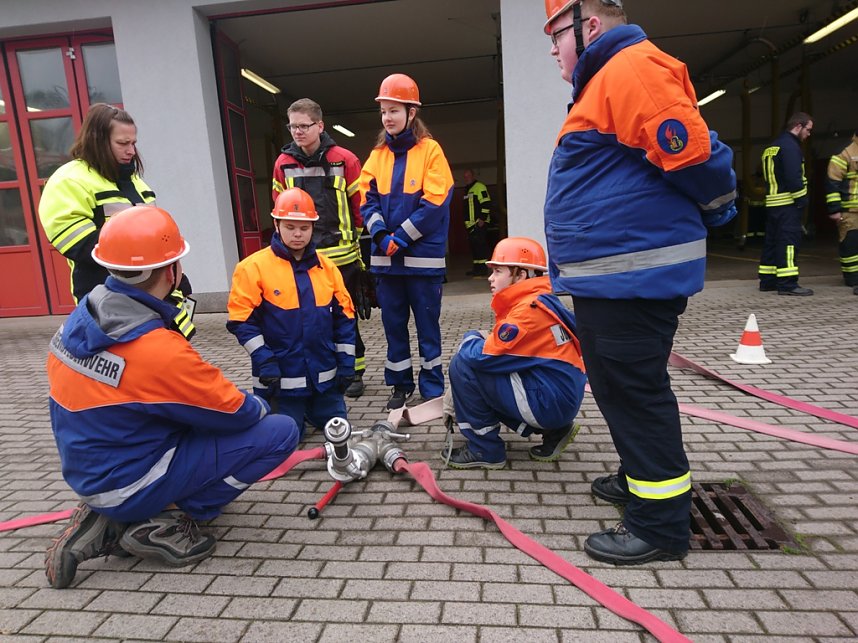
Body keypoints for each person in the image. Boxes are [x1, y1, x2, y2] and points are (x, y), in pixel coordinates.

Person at [542, 0, 736, 565]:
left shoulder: (629, 69)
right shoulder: (608, 78)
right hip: (616, 279)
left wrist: (719, 208)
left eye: (556, 35)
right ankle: (638, 481)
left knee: (635, 393)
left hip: (634, 278)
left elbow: (692, 151)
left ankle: (660, 526)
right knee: (616, 387)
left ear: (590, 25)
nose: (553, 48)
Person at [44, 205, 299, 589]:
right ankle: (164, 522)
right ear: (171, 271)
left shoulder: (83, 316)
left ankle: (106, 517)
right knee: (279, 432)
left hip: (91, 470)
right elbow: (235, 412)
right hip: (131, 477)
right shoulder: (154, 348)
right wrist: (263, 403)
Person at [38, 103, 195, 337]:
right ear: (97, 141)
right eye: (123, 143)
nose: (131, 151)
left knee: (162, 356)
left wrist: (172, 274)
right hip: (105, 297)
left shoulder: (135, 182)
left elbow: (156, 236)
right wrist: (151, 265)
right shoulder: (69, 180)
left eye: (133, 143)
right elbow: (78, 245)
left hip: (152, 295)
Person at [442, 237, 587, 469]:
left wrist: (470, 337)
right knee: (487, 370)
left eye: (498, 271)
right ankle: (554, 431)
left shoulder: (526, 313)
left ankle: (484, 450)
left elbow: (484, 357)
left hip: (550, 401)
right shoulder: (539, 300)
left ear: (521, 275)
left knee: (463, 365)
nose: (490, 277)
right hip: (558, 397)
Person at [227, 187, 356, 438]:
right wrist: (264, 359)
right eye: (290, 226)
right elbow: (241, 320)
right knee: (288, 436)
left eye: (304, 228)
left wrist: (347, 363)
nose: (298, 234)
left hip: (324, 380)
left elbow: (345, 319)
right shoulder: (252, 268)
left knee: (338, 430)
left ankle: (314, 409)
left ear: (313, 227)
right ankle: (292, 413)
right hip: (280, 381)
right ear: (276, 225)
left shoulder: (327, 268)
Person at [359, 73, 454, 410]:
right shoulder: (378, 154)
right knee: (394, 328)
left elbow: (435, 202)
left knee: (428, 329)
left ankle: (431, 387)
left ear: (411, 113)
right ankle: (399, 385)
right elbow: (365, 199)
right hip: (388, 261)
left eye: (394, 110)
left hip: (421, 262)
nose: (387, 117)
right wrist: (382, 234)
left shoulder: (431, 151)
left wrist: (399, 237)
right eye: (384, 111)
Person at [272, 98, 369, 397]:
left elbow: (361, 207)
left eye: (304, 126)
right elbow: (278, 210)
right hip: (302, 258)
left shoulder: (345, 160)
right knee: (310, 319)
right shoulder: (283, 164)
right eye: (293, 126)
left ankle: (354, 372)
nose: (297, 132)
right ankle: (320, 371)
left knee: (345, 316)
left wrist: (360, 245)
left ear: (320, 126)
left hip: (342, 257)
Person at [758, 112, 814, 296]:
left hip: (773, 204)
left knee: (772, 243)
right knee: (788, 243)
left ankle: (768, 281)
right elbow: (793, 177)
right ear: (798, 126)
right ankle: (788, 283)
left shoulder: (773, 146)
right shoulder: (790, 147)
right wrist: (801, 200)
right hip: (788, 205)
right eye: (808, 129)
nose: (809, 134)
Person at [825, 128, 858, 295]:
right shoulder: (845, 153)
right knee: (850, 245)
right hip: (850, 210)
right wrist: (835, 209)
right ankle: (852, 278)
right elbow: (833, 183)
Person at [462, 169, 493, 277]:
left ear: (473, 176)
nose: (466, 178)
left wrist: (482, 219)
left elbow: (486, 203)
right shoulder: (467, 189)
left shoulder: (480, 187)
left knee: (480, 246)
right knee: (474, 247)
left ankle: (483, 269)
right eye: (465, 177)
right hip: (471, 224)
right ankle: (477, 269)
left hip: (479, 223)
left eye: (468, 176)